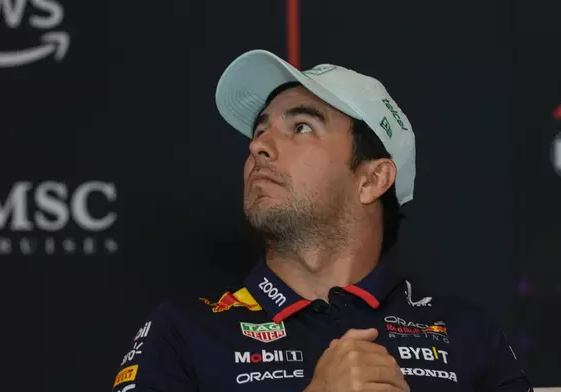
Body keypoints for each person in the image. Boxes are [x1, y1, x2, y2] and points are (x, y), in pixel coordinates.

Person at [111, 49, 532, 392]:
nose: (260, 145)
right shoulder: (185, 333)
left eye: (301, 127)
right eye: (259, 131)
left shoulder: (467, 336)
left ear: (372, 179)